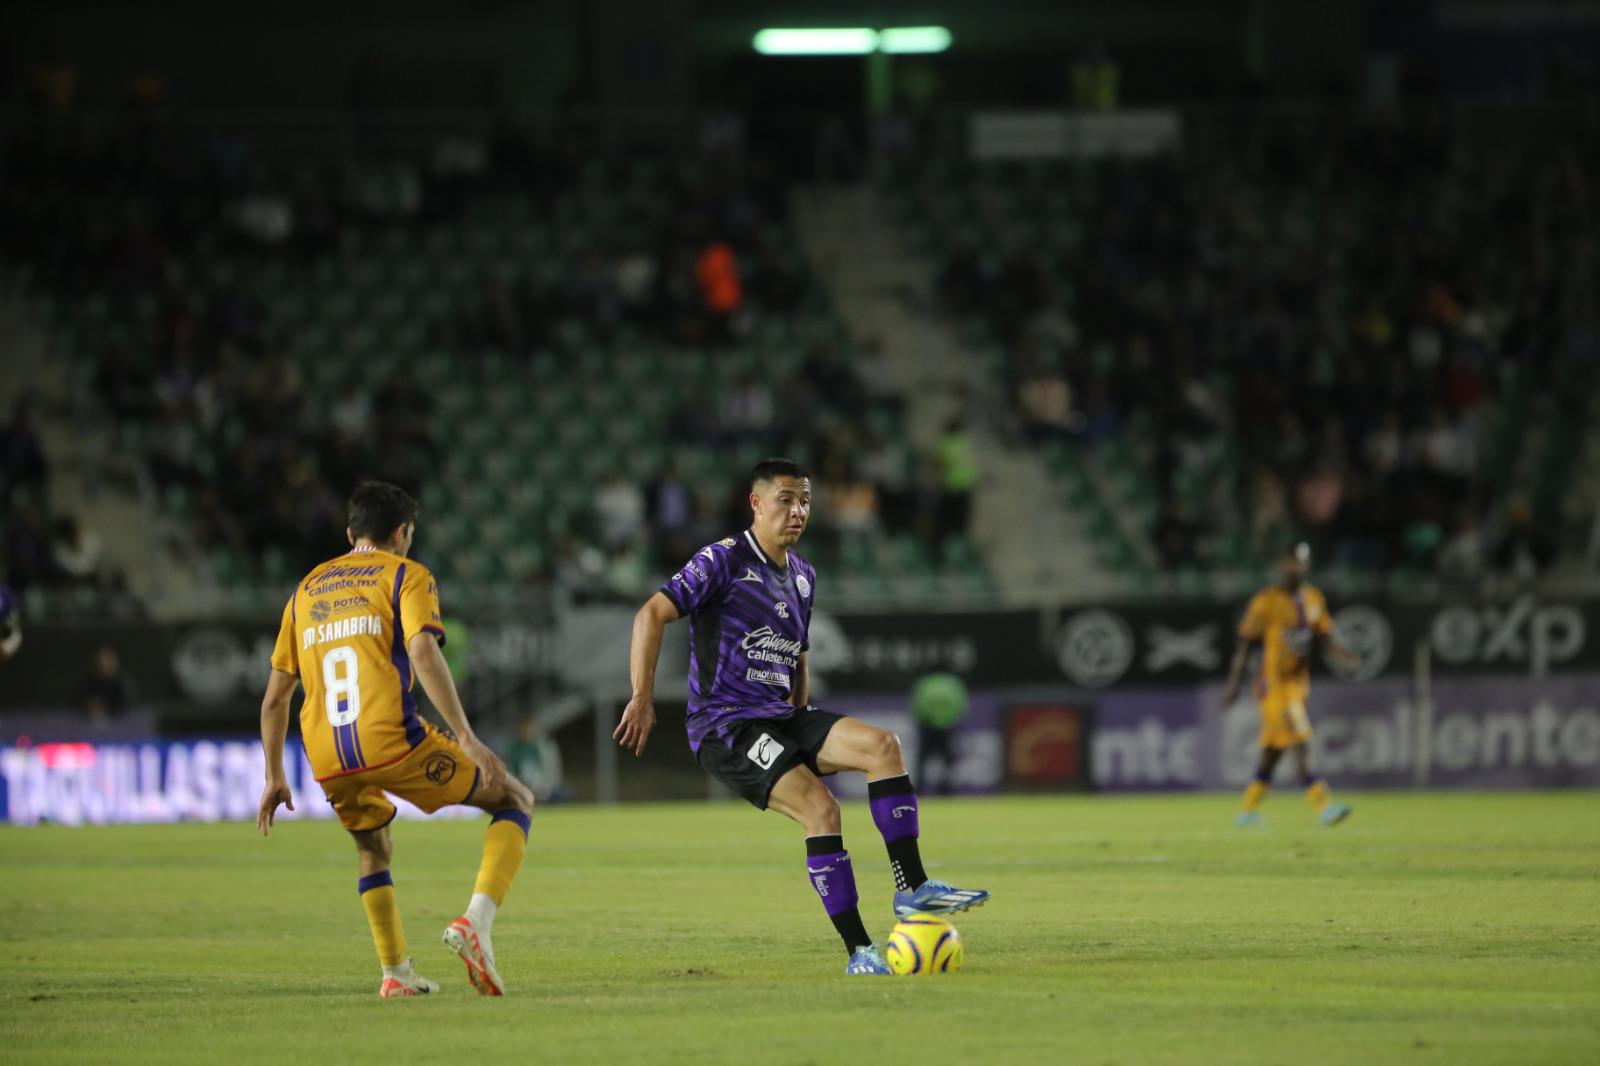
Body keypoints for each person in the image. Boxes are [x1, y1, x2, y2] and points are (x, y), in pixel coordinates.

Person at [613, 459, 989, 976]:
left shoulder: (804, 576)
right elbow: (650, 613)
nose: (797, 511)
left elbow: (798, 653)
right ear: (756, 503)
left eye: (805, 501)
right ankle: (860, 951)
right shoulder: (722, 559)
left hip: (782, 714)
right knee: (821, 809)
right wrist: (642, 695)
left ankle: (912, 887)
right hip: (727, 724)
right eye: (786, 499)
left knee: (884, 746)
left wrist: (802, 720)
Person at [256, 481, 535, 998]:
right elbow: (423, 653)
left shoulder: (305, 591)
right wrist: (467, 737)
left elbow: (275, 699)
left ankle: (396, 974)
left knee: (374, 848)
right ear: (402, 532)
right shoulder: (407, 574)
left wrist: (273, 774)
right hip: (390, 739)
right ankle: (475, 925)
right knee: (515, 798)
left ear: (350, 534)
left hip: (327, 755)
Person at [1222, 543, 1359, 828]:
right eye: (1291, 561)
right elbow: (1245, 643)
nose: (1296, 567)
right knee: (1302, 741)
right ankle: (1324, 806)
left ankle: (1246, 811)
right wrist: (1234, 683)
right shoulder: (1266, 602)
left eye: (1301, 562)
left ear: (1307, 565)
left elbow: (1325, 636)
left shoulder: (1313, 599)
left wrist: (1345, 656)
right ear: (1283, 564)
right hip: (1273, 686)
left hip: (1297, 686)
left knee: (1272, 752)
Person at [910, 671, 969, 796]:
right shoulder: (953, 683)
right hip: (946, 728)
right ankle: (945, 790)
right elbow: (960, 705)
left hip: (928, 727)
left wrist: (925, 719)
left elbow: (917, 705)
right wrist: (951, 720)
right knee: (947, 761)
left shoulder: (925, 683)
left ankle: (920, 790)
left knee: (923, 761)